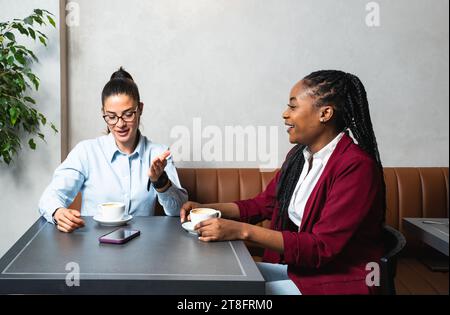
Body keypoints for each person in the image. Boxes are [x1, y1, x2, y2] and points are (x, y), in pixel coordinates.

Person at [180, 70, 385, 295]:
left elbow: (321, 248)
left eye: (293, 106)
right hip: (300, 270)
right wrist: (208, 209)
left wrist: (241, 231)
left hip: (337, 280)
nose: (285, 114)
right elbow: (263, 204)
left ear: (325, 113)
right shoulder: (299, 156)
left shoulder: (356, 166)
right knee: (212, 279)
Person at [39, 67, 188, 232]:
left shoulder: (158, 154)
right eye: (111, 116)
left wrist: (160, 181)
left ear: (140, 109)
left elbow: (178, 211)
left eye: (128, 114)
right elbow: (49, 197)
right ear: (103, 113)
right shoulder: (86, 152)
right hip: (93, 247)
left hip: (144, 248)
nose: (120, 124)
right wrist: (57, 212)